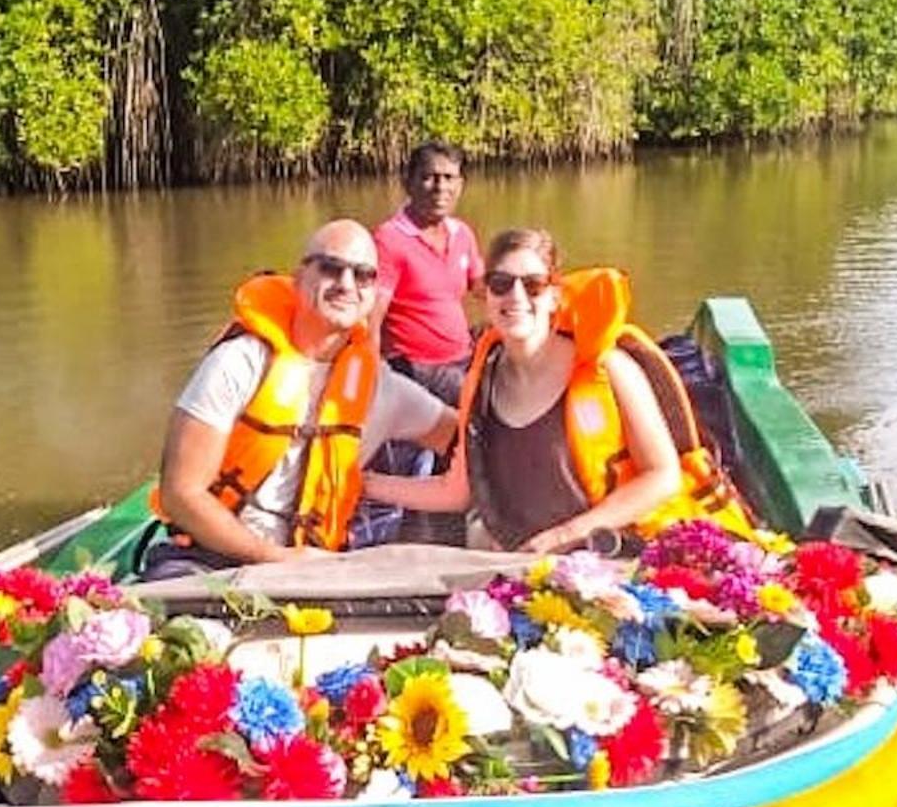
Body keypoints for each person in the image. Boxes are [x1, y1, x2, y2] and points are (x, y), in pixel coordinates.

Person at [360, 228, 755, 553]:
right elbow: (457, 491)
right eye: (501, 284)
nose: (515, 297)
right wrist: (362, 483)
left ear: (554, 297)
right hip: (530, 570)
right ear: (486, 296)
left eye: (532, 285)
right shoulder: (482, 384)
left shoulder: (608, 368)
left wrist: (565, 536)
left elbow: (662, 476)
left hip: (621, 557)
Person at [147, 220, 458, 575]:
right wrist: (275, 558)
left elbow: (468, 441)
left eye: (363, 275)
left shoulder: (383, 389)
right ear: (299, 277)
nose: (346, 284)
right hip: (210, 558)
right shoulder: (240, 362)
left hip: (317, 568)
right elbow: (181, 493)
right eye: (330, 268)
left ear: (373, 293)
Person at [372, 143, 484, 404]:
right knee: (478, 407)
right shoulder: (388, 239)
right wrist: (373, 375)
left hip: (462, 360)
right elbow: (371, 320)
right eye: (429, 177)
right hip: (415, 370)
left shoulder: (461, 233)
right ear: (407, 183)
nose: (440, 187)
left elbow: (483, 288)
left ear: (461, 184)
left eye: (449, 178)